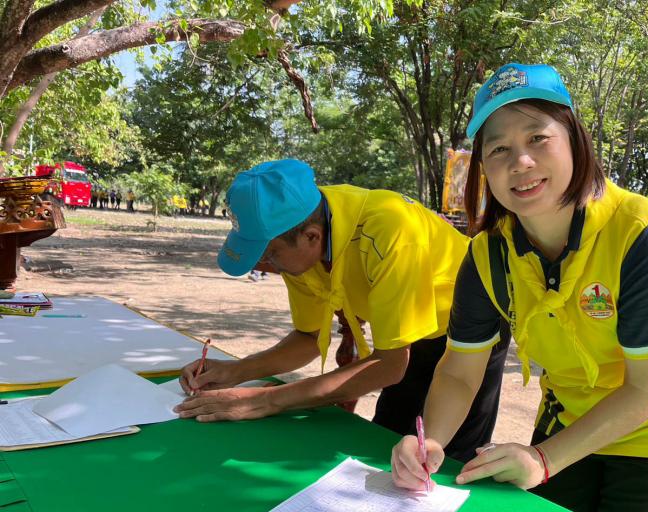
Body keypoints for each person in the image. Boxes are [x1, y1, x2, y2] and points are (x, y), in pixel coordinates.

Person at [390, 63, 648, 512]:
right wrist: (431, 440)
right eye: (498, 148)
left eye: (538, 138)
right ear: (483, 168)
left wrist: (541, 461)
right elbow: (460, 371)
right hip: (568, 417)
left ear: (576, 140)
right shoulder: (488, 254)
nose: (519, 161)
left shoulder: (642, 233)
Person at [174, 159, 509, 462]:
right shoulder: (301, 237)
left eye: (270, 256)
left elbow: (391, 364)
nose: (265, 266)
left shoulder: (391, 229)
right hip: (399, 343)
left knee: (448, 461)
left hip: (468, 339)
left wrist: (263, 400)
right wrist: (236, 372)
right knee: (387, 446)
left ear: (311, 236)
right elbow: (308, 338)